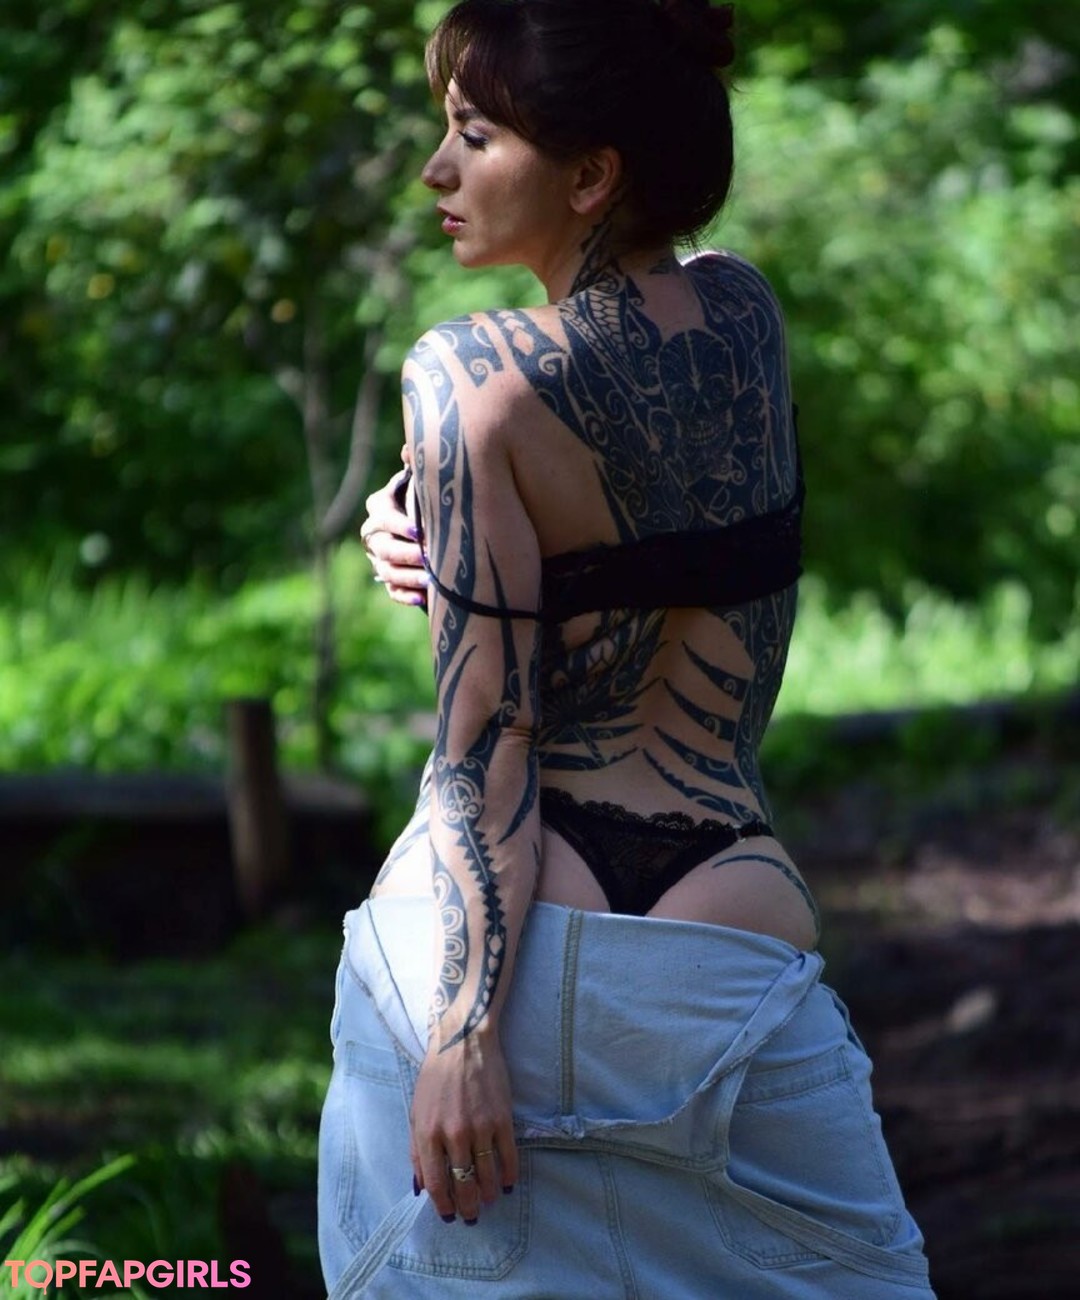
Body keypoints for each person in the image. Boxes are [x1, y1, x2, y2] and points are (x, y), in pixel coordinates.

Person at [318, 1, 936, 1296]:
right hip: (722, 932)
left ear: (591, 174)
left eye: (474, 135)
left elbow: (491, 738)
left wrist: (463, 1038)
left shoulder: (464, 379)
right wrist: (431, 503)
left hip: (489, 944)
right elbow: (657, 525)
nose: (435, 171)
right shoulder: (743, 316)